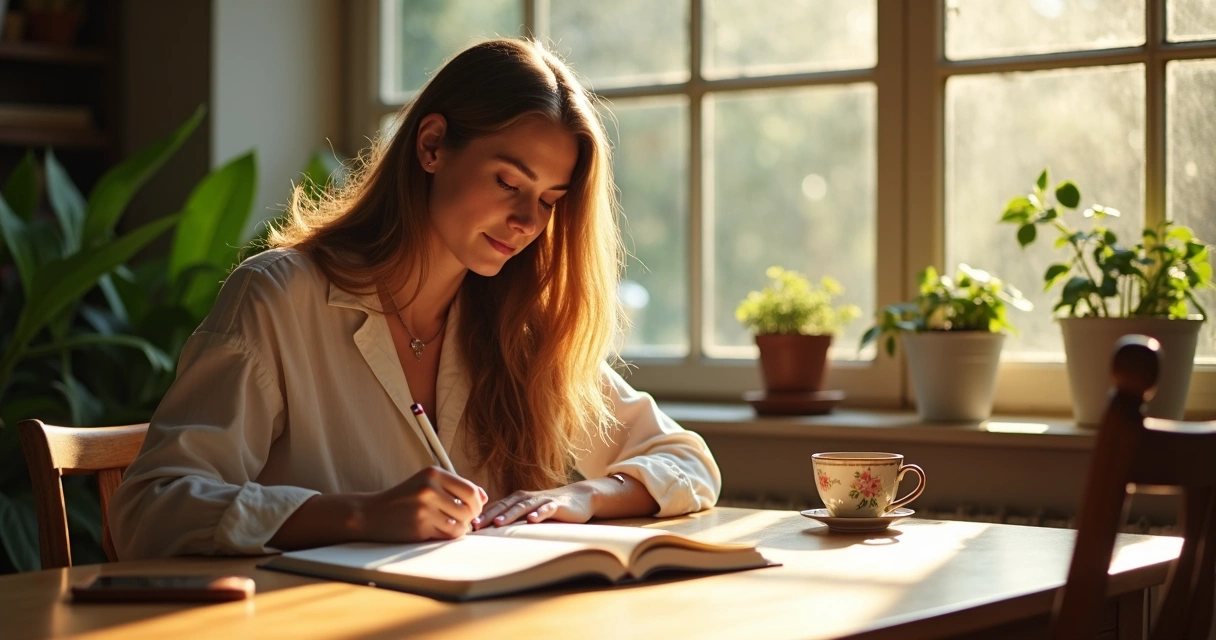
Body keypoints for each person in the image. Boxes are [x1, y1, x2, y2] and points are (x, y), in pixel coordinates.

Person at [109, 38, 720, 559]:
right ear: (431, 146)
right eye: (508, 182)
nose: (526, 221)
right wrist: (358, 516)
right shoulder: (280, 297)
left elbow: (687, 463)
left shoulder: (518, 324)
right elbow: (150, 508)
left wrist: (582, 496)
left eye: (550, 200)